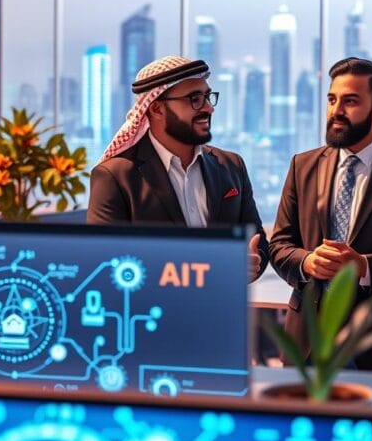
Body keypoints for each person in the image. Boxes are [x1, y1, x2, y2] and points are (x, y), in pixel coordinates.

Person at [270, 57, 372, 372]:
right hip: (307, 341)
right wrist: (307, 262)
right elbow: (279, 244)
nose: (336, 110)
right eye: (332, 100)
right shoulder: (302, 166)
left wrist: (363, 266)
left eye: (350, 101)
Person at [87, 55, 269, 281]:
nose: (208, 109)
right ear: (156, 110)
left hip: (222, 310)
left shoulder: (231, 166)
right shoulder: (116, 176)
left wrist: (251, 263)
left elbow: (257, 242)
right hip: (155, 313)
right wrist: (211, 268)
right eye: (194, 99)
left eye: (208, 97)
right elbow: (105, 262)